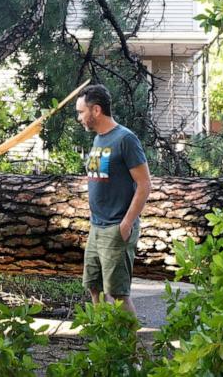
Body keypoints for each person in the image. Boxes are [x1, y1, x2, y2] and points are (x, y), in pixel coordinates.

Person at [75, 84, 151, 315]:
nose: (79, 118)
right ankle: (103, 336)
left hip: (116, 227)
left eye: (81, 112)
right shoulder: (99, 139)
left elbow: (144, 184)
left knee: (117, 294)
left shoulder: (125, 139)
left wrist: (126, 223)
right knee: (94, 287)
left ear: (96, 110)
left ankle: (128, 347)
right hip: (97, 227)